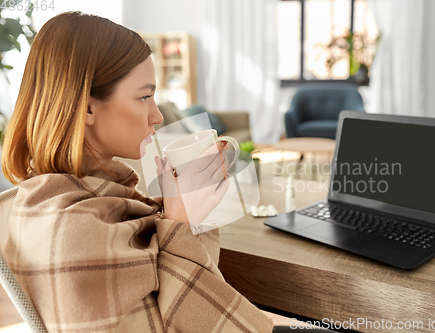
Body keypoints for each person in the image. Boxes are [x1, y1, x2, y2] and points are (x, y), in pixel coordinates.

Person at [0, 11, 274, 332]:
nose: (156, 116)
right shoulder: (71, 230)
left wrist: (180, 213)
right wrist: (180, 224)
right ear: (87, 107)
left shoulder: (92, 199)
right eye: (144, 96)